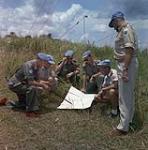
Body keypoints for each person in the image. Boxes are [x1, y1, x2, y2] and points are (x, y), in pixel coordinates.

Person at [109, 11, 138, 135]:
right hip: (126, 64)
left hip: (126, 65)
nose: (114, 27)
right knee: (127, 95)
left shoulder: (126, 30)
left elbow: (129, 50)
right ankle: (128, 121)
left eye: (113, 24)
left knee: (124, 97)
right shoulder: (124, 30)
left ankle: (122, 127)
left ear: (116, 21)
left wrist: (125, 69)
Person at [8, 52, 57, 117]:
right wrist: (43, 85)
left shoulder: (38, 66)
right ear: (38, 60)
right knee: (33, 88)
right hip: (15, 84)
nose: (43, 64)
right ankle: (30, 111)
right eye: (43, 62)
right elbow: (31, 82)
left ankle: (20, 103)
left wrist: (47, 84)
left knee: (23, 103)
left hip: (23, 83)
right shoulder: (29, 65)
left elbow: (38, 80)